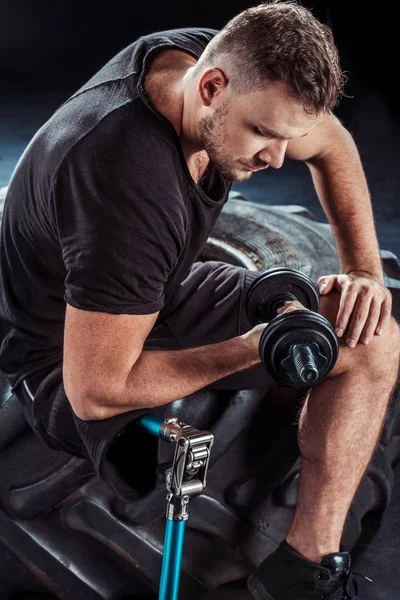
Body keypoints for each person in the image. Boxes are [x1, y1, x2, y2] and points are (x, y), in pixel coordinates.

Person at [0, 1, 399, 598]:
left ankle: (302, 569)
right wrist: (254, 348)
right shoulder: (124, 177)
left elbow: (332, 143)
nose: (276, 158)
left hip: (155, 293)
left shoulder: (219, 67)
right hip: (64, 354)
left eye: (284, 137)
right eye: (263, 134)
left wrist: (364, 272)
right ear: (210, 87)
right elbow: (97, 390)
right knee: (279, 351)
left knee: (370, 335)